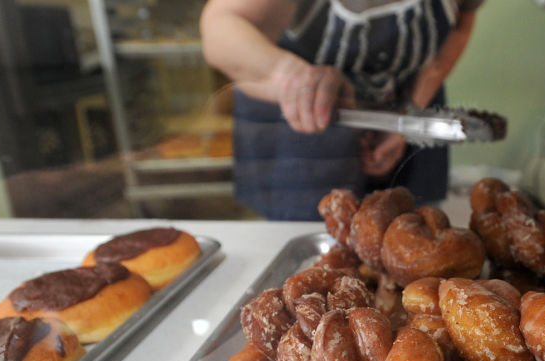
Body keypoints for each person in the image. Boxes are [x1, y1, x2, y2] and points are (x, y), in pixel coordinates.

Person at [200, 0, 483, 220]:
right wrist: (288, 75)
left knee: (414, 247)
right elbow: (221, 22)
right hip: (302, 136)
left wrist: (408, 114)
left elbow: (459, 26)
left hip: (408, 111)